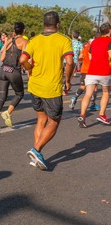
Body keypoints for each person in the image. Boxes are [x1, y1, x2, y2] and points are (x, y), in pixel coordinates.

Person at [20, 11, 74, 170]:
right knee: (54, 122)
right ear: (58, 25)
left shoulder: (34, 40)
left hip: (35, 86)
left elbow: (23, 59)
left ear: (44, 24)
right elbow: (70, 62)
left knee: (41, 120)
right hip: (51, 88)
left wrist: (30, 69)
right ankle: (36, 150)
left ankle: (36, 154)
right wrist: (68, 81)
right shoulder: (64, 40)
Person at [0, 22, 28, 129]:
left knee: (2, 97)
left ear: (14, 30)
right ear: (23, 31)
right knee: (19, 94)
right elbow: (24, 59)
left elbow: (1, 56)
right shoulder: (24, 42)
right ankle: (8, 113)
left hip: (3, 70)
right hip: (14, 71)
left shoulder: (9, 40)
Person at [77, 23, 111, 128]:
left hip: (91, 71)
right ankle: (101, 114)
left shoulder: (94, 42)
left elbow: (91, 57)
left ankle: (82, 116)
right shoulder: (110, 41)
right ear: (109, 30)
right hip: (105, 71)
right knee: (106, 92)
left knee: (88, 94)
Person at [69, 37, 100, 111]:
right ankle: (93, 104)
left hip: (84, 70)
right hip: (92, 70)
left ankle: (74, 98)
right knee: (95, 87)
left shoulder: (85, 47)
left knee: (83, 86)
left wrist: (83, 62)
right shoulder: (94, 47)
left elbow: (80, 57)